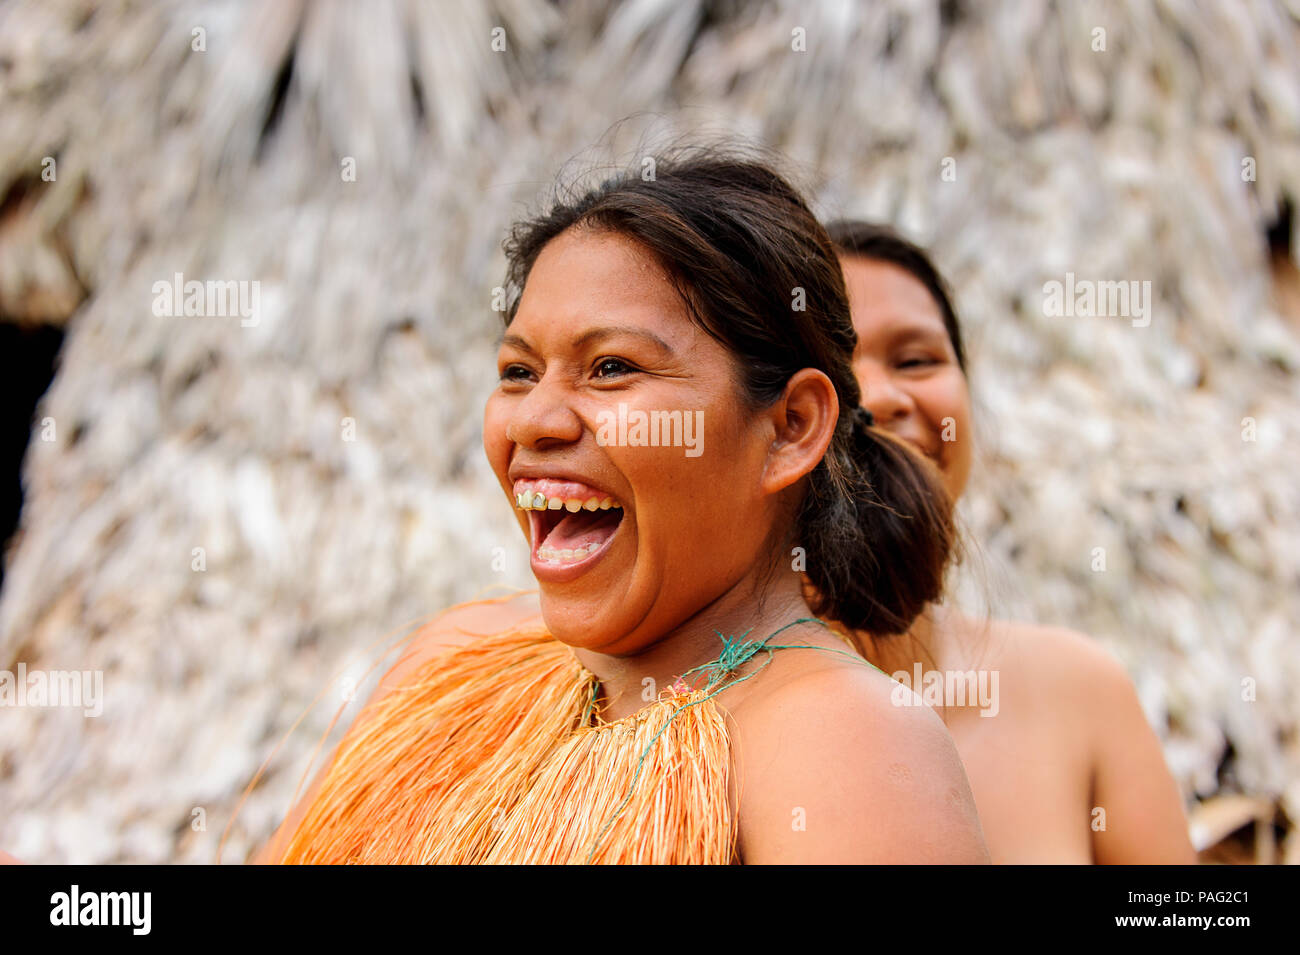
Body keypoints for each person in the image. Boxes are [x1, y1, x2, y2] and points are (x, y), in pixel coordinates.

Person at [257, 153, 990, 864]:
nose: (534, 418)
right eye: (518, 371)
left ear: (791, 427)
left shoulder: (845, 743)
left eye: (612, 367)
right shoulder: (446, 660)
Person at [826, 219, 1197, 864]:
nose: (882, 397)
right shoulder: (686, 728)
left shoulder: (1079, 688)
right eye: (833, 366)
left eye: (917, 360)